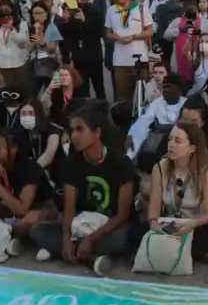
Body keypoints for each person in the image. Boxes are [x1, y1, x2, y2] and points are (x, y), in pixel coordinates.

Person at [29, 105, 138, 275]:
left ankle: (72, 251)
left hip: (109, 227)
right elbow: (69, 209)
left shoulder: (121, 163)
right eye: (72, 131)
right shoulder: (71, 164)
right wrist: (66, 239)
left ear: (97, 132)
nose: (74, 136)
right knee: (36, 230)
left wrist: (90, 239)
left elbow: (122, 215)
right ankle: (89, 257)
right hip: (80, 225)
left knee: (124, 237)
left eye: (80, 129)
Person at [142, 121, 208, 262]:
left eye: (178, 141)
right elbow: (155, 205)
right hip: (168, 222)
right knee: (137, 232)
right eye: (170, 139)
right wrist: (154, 224)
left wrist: (191, 224)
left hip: (193, 224)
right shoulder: (160, 168)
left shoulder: (205, 173)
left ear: (192, 147)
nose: (171, 144)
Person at [106, 0, 152, 103]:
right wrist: (114, 36)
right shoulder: (111, 11)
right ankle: (125, 120)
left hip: (139, 59)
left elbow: (149, 31)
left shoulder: (141, 8)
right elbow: (107, 32)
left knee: (141, 96)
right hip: (120, 61)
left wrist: (133, 37)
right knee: (122, 97)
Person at [59, 0, 109, 98]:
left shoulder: (95, 11)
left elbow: (99, 32)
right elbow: (66, 35)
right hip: (78, 57)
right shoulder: (71, 10)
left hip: (94, 57)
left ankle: (102, 111)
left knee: (99, 88)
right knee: (81, 89)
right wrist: (65, 22)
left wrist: (85, 21)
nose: (79, 1)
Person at [128, 73, 186, 160]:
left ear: (179, 90)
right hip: (158, 141)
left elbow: (185, 125)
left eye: (169, 87)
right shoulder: (158, 102)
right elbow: (144, 121)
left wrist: (161, 127)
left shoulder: (186, 103)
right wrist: (131, 135)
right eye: (164, 87)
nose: (165, 90)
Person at [165, 0, 208, 82]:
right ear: (184, 6)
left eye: (193, 4)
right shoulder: (177, 21)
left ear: (197, 6)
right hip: (179, 63)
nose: (190, 7)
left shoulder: (205, 22)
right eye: (188, 4)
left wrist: (200, 32)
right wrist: (180, 29)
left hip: (200, 62)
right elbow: (166, 36)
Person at [0, 0, 32, 92]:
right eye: (2, 12)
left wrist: (12, 29)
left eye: (7, 11)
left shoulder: (22, 24)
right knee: (7, 91)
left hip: (20, 64)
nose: (5, 15)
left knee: (21, 91)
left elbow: (23, 43)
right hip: (3, 65)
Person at [26, 1, 63, 84]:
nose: (37, 16)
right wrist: (36, 31)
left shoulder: (52, 28)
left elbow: (52, 49)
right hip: (34, 62)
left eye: (40, 13)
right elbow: (28, 49)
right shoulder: (30, 28)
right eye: (34, 14)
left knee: (50, 89)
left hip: (49, 62)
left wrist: (41, 42)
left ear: (46, 13)